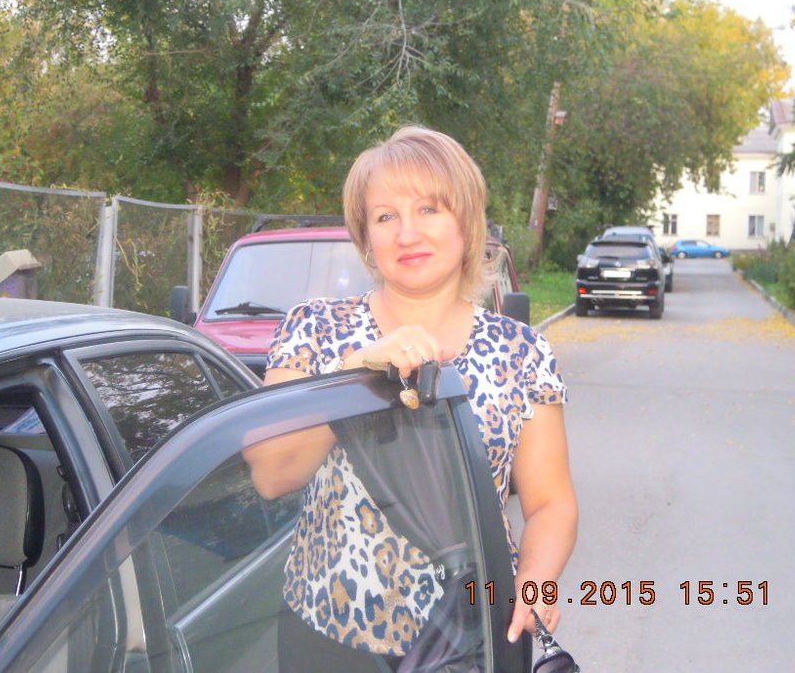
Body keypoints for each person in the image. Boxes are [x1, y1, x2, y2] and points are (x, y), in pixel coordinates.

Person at [243, 126, 578, 672]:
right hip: (330, 638)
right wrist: (354, 376)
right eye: (385, 216)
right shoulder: (316, 329)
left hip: (475, 634)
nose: (406, 233)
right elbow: (271, 474)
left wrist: (537, 581)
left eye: (428, 209)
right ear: (366, 238)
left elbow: (550, 503)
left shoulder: (522, 351)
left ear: (467, 224)